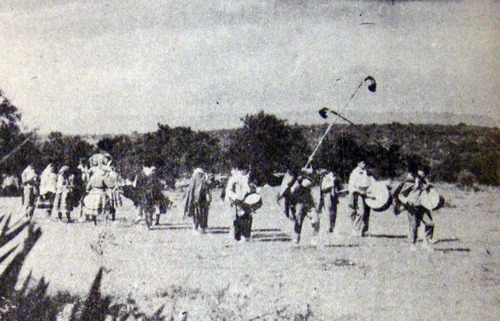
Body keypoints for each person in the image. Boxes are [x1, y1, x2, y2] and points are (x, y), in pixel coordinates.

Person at [394, 166, 435, 250]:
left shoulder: (423, 181)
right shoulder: (409, 182)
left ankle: (426, 242)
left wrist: (428, 186)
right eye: (421, 172)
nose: (423, 174)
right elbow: (400, 195)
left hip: (423, 205)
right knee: (414, 225)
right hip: (413, 206)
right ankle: (412, 244)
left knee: (430, 223)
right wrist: (407, 201)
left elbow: (428, 190)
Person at [278, 167, 320, 245]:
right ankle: (296, 238)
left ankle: (314, 238)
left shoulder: (304, 179)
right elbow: (286, 199)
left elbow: (312, 179)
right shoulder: (288, 188)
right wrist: (287, 212)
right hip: (298, 204)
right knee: (298, 222)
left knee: (316, 220)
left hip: (309, 203)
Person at [225, 168, 254, 242]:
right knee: (238, 218)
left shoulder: (246, 178)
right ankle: (238, 236)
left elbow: (250, 189)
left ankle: (245, 236)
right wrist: (234, 198)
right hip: (237, 200)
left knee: (246, 217)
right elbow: (228, 190)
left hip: (245, 200)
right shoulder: (234, 179)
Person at [348, 161, 373, 237]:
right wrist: (359, 191)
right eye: (362, 163)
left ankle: (364, 230)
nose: (364, 164)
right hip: (358, 194)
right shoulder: (355, 173)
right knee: (361, 212)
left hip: (367, 192)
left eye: (365, 163)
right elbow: (352, 186)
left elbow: (371, 182)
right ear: (358, 163)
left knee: (367, 212)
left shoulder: (366, 172)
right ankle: (355, 229)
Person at [184, 168, 212, 234]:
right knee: (199, 212)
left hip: (199, 198)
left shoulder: (199, 177)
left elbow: (208, 188)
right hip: (197, 198)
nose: (200, 175)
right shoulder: (202, 177)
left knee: (199, 212)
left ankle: (199, 227)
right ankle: (199, 227)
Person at [317, 169, 342, 233]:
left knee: (334, 212)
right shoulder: (324, 177)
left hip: (334, 195)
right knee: (328, 211)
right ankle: (328, 227)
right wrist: (331, 184)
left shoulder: (336, 177)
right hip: (327, 194)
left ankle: (332, 227)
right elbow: (323, 187)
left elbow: (339, 186)